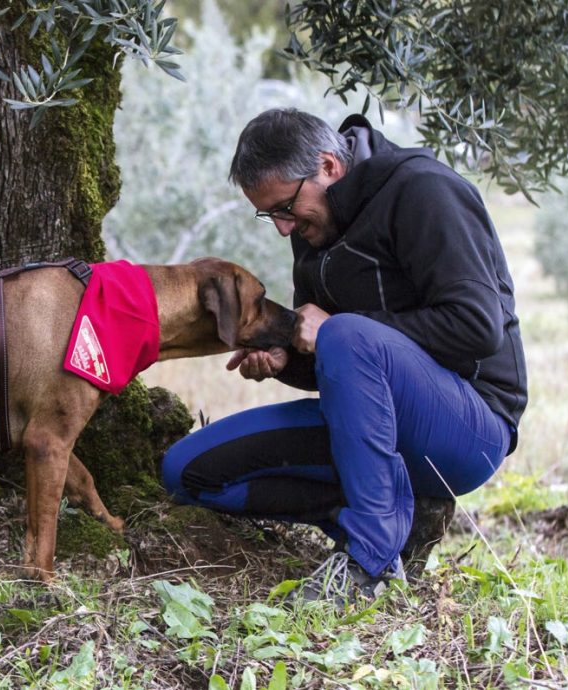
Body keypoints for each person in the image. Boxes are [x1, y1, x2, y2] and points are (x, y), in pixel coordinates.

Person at [161, 108, 528, 603]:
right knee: (188, 470)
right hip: (369, 429)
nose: (283, 229)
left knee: (348, 334)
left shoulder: (424, 191)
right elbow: (337, 366)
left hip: (470, 428)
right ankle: (399, 513)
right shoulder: (314, 229)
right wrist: (284, 361)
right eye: (270, 214)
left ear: (329, 166)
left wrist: (335, 332)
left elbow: (477, 326)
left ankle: (369, 566)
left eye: (286, 207)